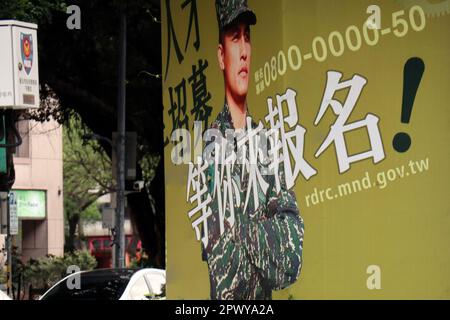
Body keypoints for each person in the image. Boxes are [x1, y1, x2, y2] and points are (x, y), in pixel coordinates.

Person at [200, 0, 305, 300]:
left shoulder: (265, 143)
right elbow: (229, 270)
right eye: (235, 38)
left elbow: (292, 260)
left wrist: (242, 227)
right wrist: (267, 225)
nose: (244, 50)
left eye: (248, 37)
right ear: (221, 56)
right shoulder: (212, 146)